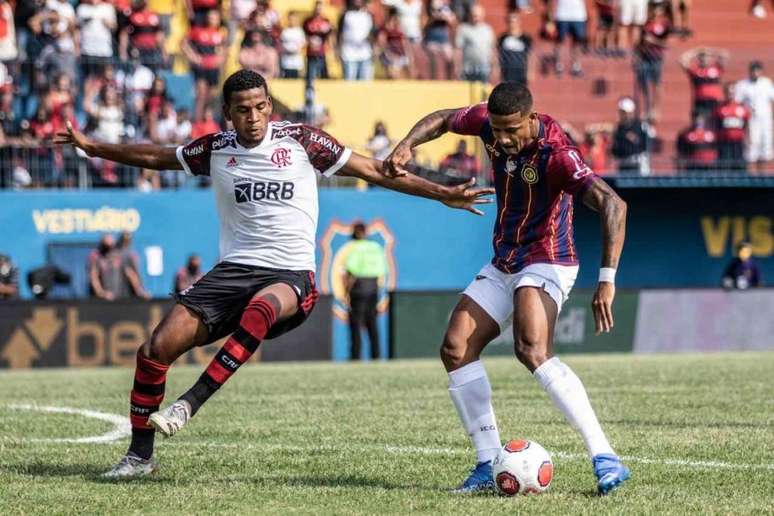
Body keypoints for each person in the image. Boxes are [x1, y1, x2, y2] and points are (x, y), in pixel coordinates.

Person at [54, 69, 493, 478]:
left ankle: (190, 403)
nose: (253, 117)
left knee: (262, 308)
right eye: (243, 109)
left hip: (290, 275)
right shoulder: (215, 149)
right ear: (228, 113)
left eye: (260, 106)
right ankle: (138, 457)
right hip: (232, 270)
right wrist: (95, 147)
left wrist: (441, 194)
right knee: (154, 349)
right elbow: (155, 155)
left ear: (270, 106)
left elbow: (377, 170)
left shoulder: (303, 141)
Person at [383, 81, 630, 495]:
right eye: (496, 130)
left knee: (530, 348)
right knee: (455, 348)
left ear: (532, 119)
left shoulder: (557, 154)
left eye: (511, 130)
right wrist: (407, 143)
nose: (502, 139)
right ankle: (486, 463)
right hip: (506, 258)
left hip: (548, 259)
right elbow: (444, 118)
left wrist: (607, 280)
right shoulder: (490, 124)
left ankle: (605, 458)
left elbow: (613, 204)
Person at [343, 222, 387, 360]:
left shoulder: (355, 247)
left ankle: (355, 356)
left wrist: (346, 292)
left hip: (358, 288)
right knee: (372, 324)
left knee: (355, 324)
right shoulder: (376, 247)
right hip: (373, 287)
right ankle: (376, 356)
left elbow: (352, 272)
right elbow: (382, 271)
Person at [734, 61, 774, 173]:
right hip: (751, 121)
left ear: (761, 71)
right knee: (751, 147)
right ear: (750, 71)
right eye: (753, 70)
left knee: (765, 146)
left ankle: (763, 175)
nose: (755, 73)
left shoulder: (767, 83)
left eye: (758, 70)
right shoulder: (743, 85)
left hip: (766, 120)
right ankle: (752, 176)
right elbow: (737, 102)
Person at [680, 47, 729, 120]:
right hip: (700, 103)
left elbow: (725, 55)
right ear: (698, 58)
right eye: (702, 56)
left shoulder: (716, 69)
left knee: (715, 124)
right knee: (699, 124)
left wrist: (712, 51)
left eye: (706, 56)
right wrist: (695, 52)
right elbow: (682, 60)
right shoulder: (695, 70)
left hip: (715, 102)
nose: (704, 58)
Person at [714, 83, 750, 172]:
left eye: (732, 92)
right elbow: (715, 125)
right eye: (728, 92)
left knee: (739, 166)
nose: (730, 94)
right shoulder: (719, 108)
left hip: (738, 143)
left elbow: (746, 125)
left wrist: (748, 138)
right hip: (724, 143)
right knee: (724, 167)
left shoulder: (742, 108)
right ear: (725, 93)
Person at [547, 0, 587, 77]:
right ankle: (558, 65)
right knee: (559, 41)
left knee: (578, 42)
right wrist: (550, 16)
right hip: (562, 15)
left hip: (578, 15)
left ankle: (576, 66)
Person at [456, 4, 494, 83]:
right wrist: (457, 66)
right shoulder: (463, 28)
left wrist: (494, 67)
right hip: (467, 67)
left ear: (482, 16)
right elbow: (458, 49)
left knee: (483, 92)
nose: (475, 18)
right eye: (473, 15)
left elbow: (492, 49)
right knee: (466, 91)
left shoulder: (488, 30)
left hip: (484, 67)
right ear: (469, 15)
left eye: (477, 16)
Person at [87, 234, 132, 300]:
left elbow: (130, 274)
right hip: (102, 300)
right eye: (106, 246)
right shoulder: (97, 256)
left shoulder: (120, 255)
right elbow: (93, 277)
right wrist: (101, 293)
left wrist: (140, 291)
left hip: (120, 297)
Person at [611, 97, 649, 175]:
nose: (622, 115)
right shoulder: (619, 129)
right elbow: (616, 149)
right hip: (623, 164)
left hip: (637, 164)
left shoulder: (639, 126)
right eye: (621, 112)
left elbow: (644, 144)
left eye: (624, 112)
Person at [497, 11, 532, 85]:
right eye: (510, 22)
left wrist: (530, 72)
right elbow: (498, 56)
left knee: (520, 95)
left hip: (521, 73)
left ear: (519, 22)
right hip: (507, 73)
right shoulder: (502, 38)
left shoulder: (526, 38)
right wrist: (497, 70)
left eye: (514, 22)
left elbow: (530, 56)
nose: (512, 24)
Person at [303, 0, 334, 82]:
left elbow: (330, 37)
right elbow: (304, 35)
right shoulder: (307, 21)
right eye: (317, 8)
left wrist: (331, 50)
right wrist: (310, 42)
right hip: (311, 53)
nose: (318, 10)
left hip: (322, 53)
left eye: (320, 8)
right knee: (310, 76)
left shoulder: (326, 21)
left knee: (323, 76)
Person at [117, 231, 151, 299]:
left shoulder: (131, 252)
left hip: (131, 291)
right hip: (122, 290)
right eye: (125, 239)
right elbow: (130, 273)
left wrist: (141, 288)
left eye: (128, 238)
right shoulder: (120, 253)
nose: (127, 241)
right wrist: (140, 291)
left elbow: (135, 273)